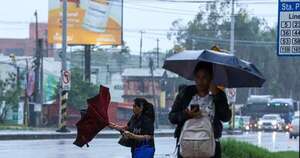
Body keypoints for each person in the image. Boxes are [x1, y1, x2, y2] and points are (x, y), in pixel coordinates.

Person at [168, 62, 232, 158]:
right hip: (187, 145)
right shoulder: (185, 93)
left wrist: (216, 95)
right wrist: (186, 114)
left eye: (204, 77)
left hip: (210, 146)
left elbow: (226, 117)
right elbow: (172, 117)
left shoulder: (219, 95)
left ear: (211, 78)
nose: (200, 81)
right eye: (197, 77)